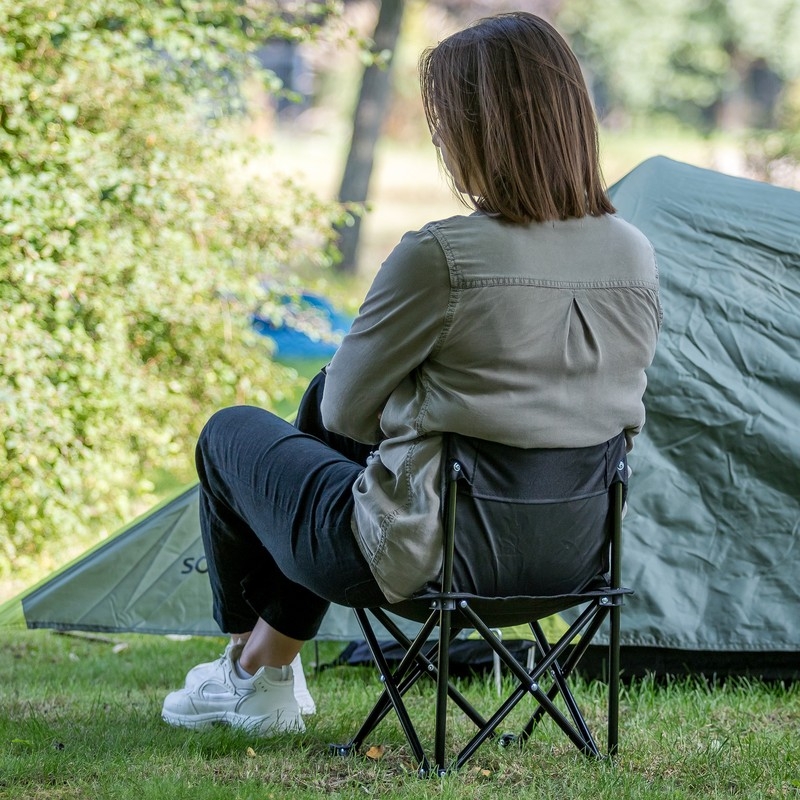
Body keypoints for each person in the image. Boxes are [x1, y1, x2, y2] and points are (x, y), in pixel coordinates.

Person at [161, 11, 662, 736]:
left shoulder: (441, 256)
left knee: (231, 432)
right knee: (337, 404)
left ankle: (250, 668)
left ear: (478, 131)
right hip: (572, 559)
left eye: (444, 125)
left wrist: (413, 400)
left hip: (423, 560)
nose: (439, 142)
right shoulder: (635, 253)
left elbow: (341, 416)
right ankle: (264, 669)